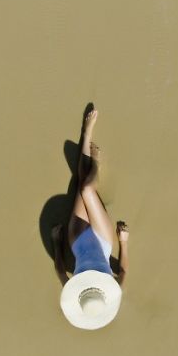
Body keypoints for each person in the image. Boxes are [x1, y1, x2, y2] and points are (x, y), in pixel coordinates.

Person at [51, 105, 129, 329]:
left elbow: (59, 269)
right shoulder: (115, 288)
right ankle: (96, 163)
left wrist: (57, 242)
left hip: (77, 242)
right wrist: (123, 242)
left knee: (79, 184)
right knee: (87, 189)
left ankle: (86, 136)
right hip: (104, 239)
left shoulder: (73, 287)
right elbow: (122, 270)